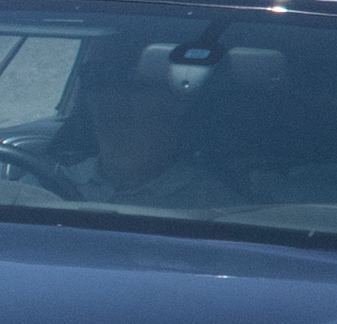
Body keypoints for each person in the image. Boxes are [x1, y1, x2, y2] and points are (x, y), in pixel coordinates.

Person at [61, 43, 237, 208]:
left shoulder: (216, 206)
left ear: (177, 105)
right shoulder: (52, 182)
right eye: (98, 83)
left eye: (134, 86)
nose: (110, 102)